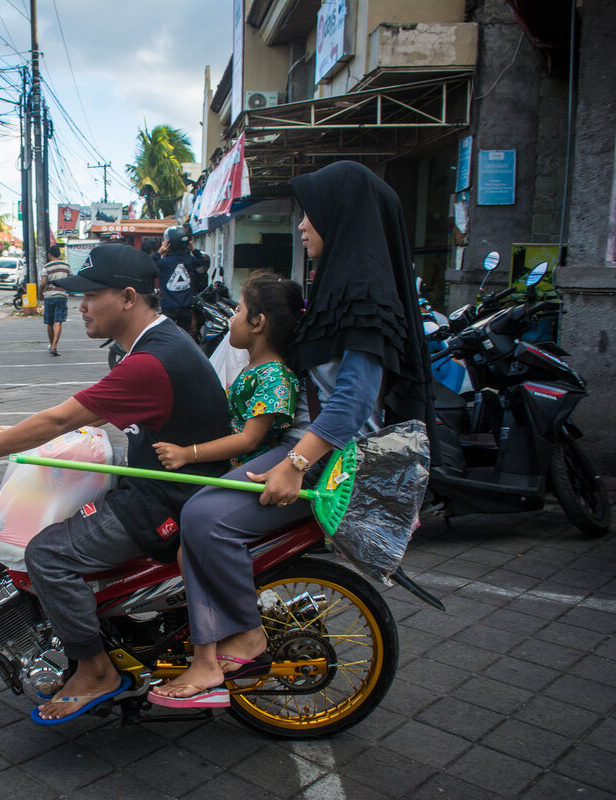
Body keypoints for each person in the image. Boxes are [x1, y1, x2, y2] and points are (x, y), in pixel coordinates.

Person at [149, 161, 432, 707]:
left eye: (311, 214)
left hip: (330, 459)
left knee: (207, 518)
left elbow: (351, 403)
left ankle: (246, 636)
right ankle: (214, 643)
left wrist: (293, 464)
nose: (301, 225)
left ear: (340, 217)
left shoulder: (364, 299)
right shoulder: (334, 285)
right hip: (304, 446)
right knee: (197, 513)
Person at [0, 244, 233, 724]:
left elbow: (62, 417)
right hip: (165, 489)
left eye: (91, 296)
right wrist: (1, 437)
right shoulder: (158, 344)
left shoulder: (150, 362)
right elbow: (81, 414)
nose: (82, 307)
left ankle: (95, 670)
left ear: (128, 297)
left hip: (168, 503)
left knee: (47, 554)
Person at [148, 271, 304, 706]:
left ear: (257, 323)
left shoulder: (274, 376)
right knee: (184, 548)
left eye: (237, 309)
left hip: (257, 473)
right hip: (238, 471)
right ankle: (209, 646)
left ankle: (237, 639)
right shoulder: (252, 369)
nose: (231, 318)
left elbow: (251, 440)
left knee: (198, 525)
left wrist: (188, 453)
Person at [156, 226, 199, 335]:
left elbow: (148, 264)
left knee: (167, 335)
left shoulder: (164, 263)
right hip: (186, 308)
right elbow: (202, 261)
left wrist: (160, 251)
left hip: (168, 307)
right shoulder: (189, 260)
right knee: (183, 335)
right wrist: (193, 249)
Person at [40, 244, 70, 356]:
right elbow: (70, 281)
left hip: (49, 296)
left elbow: (43, 283)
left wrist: (40, 294)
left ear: (50, 254)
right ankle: (54, 346)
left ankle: (51, 344)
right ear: (59, 254)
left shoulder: (46, 267)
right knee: (58, 322)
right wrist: (66, 292)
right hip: (61, 296)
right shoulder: (66, 266)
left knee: (49, 323)